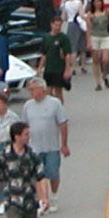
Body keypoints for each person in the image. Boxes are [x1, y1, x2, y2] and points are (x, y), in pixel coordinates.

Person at [21, 78, 69, 210]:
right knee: (38, 175)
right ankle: (43, 199)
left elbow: (63, 124)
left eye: (33, 89)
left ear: (42, 89)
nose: (31, 92)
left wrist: (64, 144)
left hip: (51, 146)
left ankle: (54, 196)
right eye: (29, 90)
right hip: (34, 147)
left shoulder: (55, 103)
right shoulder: (28, 106)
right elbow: (24, 126)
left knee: (52, 173)